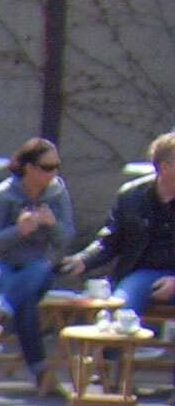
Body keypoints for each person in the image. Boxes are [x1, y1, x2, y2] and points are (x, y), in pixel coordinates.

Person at [0, 138, 74, 389]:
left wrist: (53, 225)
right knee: (25, 301)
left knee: (40, 267)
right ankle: (40, 372)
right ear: (29, 168)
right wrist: (18, 231)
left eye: (57, 166)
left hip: (34, 270)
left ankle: (1, 309)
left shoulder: (57, 195)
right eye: (47, 167)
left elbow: (66, 239)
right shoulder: (2, 195)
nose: (54, 173)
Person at [60, 132, 175, 320]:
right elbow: (110, 240)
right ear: (165, 167)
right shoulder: (132, 196)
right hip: (142, 274)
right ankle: (114, 339)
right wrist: (83, 260)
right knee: (119, 311)